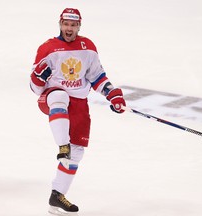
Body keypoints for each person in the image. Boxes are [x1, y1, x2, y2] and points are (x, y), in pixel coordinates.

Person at [30, 8, 126, 214]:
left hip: (79, 104)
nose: (69, 29)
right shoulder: (48, 48)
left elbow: (97, 77)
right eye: (66, 24)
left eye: (73, 25)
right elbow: (35, 87)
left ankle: (57, 195)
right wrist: (37, 77)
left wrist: (112, 94)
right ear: (60, 24)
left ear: (79, 26)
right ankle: (62, 145)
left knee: (77, 153)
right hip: (52, 98)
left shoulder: (88, 47)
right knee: (60, 96)